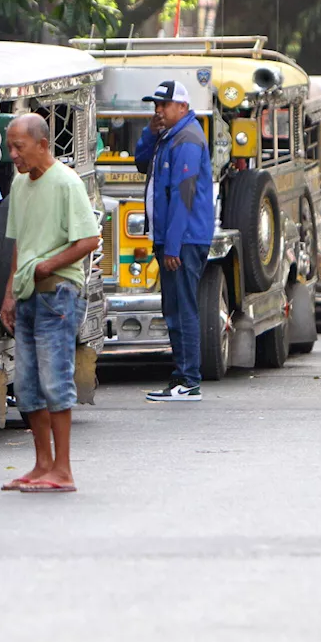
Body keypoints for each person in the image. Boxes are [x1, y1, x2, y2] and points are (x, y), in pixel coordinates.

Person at [0, 114, 100, 494]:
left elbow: (88, 240)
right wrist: (9, 292)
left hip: (57, 292)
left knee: (55, 381)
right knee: (26, 385)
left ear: (43, 144)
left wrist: (46, 266)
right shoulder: (21, 184)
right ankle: (42, 463)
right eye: (10, 147)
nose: (13, 156)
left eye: (18, 147)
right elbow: (19, 245)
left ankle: (63, 469)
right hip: (27, 293)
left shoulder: (66, 182)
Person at [135, 80, 215, 401]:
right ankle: (182, 376)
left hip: (184, 241)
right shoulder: (167, 136)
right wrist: (149, 132)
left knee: (183, 308)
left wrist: (172, 246)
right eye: (155, 105)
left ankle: (189, 379)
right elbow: (142, 163)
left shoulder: (188, 138)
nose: (158, 110)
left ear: (182, 107)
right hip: (172, 239)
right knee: (174, 308)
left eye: (164, 105)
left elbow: (184, 195)